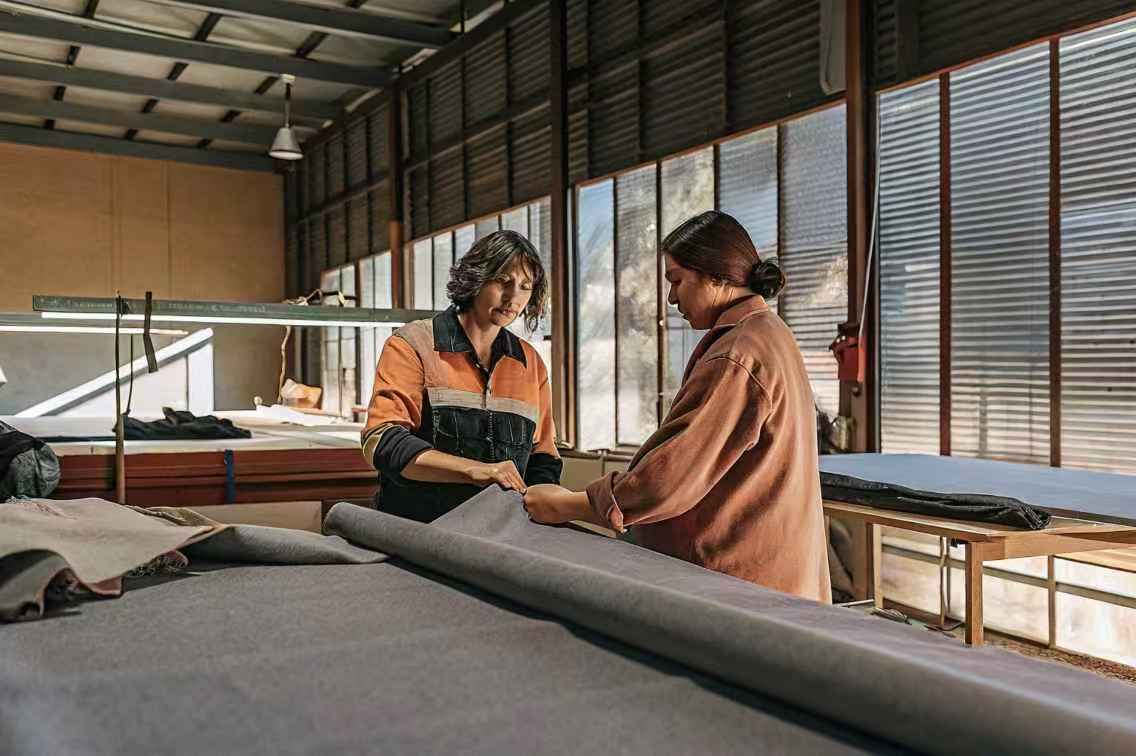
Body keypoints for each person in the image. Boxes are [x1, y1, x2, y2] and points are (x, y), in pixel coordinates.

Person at [523, 211, 831, 602]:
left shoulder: (737, 355)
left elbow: (667, 480)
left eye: (676, 280)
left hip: (739, 587)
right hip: (775, 579)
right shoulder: (768, 334)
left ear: (716, 276)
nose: (671, 298)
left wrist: (569, 504)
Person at [361, 230, 561, 522]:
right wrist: (474, 470)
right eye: (503, 281)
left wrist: (549, 504)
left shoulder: (530, 363)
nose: (513, 297)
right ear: (475, 277)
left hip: (500, 535)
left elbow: (543, 454)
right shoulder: (413, 344)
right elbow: (383, 442)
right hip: (416, 529)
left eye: (525, 286)